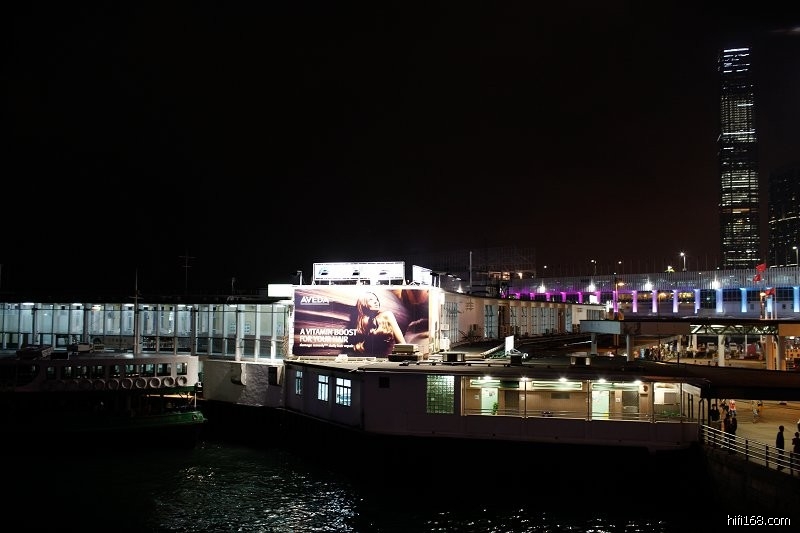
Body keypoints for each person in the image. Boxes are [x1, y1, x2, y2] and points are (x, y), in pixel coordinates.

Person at [352, 291, 406, 357]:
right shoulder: (363, 323)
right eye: (371, 300)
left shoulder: (387, 315)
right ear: (363, 303)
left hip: (390, 358)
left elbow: (401, 343)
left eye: (377, 299)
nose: (376, 302)